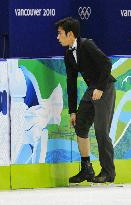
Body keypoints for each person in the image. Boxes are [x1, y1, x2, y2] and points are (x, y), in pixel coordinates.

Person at [55, 17, 116, 183]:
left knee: (101, 130)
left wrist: (100, 88)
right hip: (92, 89)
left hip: (105, 86)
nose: (57, 37)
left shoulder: (86, 44)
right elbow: (71, 84)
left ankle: (108, 172)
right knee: (80, 124)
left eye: (60, 33)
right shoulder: (68, 55)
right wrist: (73, 111)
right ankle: (86, 169)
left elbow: (106, 64)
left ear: (70, 34)